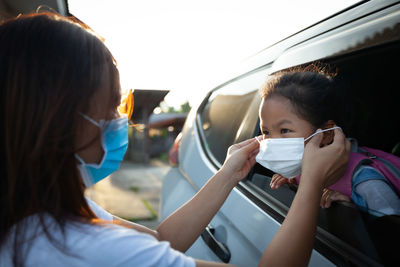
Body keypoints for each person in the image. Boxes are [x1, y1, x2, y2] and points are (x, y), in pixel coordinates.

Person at [0, 13, 350, 267]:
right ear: (62, 118)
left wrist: (228, 173)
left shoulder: (37, 211)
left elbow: (158, 241)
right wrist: (311, 181)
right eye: (109, 105)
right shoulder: (85, 248)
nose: (119, 121)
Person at [257, 66, 400, 216]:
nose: (272, 142)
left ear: (326, 133)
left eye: (285, 130)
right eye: (266, 132)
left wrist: (352, 212)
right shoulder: (298, 169)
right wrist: (294, 178)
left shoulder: (366, 183)